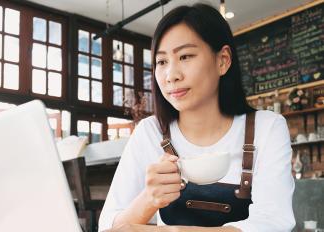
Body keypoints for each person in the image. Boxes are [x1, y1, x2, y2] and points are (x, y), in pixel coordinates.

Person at [98, 4, 295, 232]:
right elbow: (108, 227)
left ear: (223, 61)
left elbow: (274, 223)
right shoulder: (149, 131)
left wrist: (173, 231)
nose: (171, 75)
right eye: (161, 62)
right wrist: (149, 199)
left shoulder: (266, 128)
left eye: (185, 56)